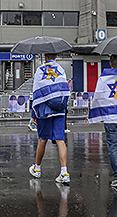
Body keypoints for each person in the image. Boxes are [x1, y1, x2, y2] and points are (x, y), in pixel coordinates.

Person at [89, 55, 117, 190]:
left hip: (110, 118)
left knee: (113, 146)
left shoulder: (103, 79)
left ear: (110, 63)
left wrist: (96, 113)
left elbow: (98, 96)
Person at [29, 53, 71, 184]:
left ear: (45, 56)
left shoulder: (40, 70)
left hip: (45, 111)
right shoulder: (61, 70)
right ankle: (64, 172)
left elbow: (36, 92)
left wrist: (33, 114)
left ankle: (37, 169)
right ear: (56, 56)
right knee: (60, 139)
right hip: (59, 110)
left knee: (42, 140)